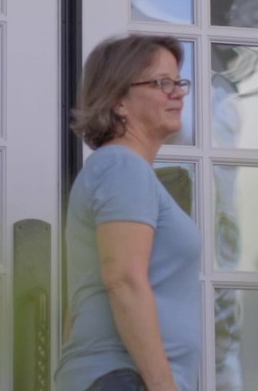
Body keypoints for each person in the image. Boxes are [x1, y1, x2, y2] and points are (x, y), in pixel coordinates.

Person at [55, 34, 201, 391]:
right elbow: (123, 280)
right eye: (162, 83)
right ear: (119, 100)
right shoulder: (121, 166)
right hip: (124, 379)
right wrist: (163, 385)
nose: (178, 93)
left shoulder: (122, 170)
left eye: (179, 82)